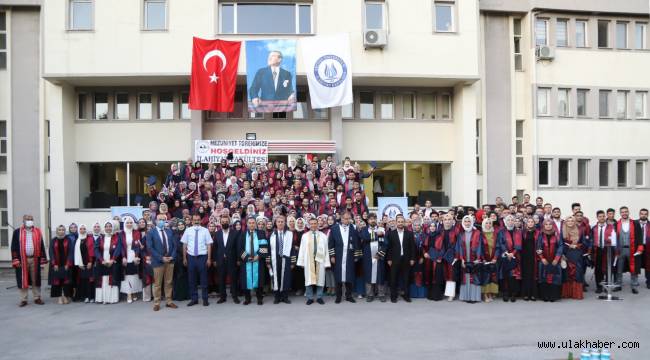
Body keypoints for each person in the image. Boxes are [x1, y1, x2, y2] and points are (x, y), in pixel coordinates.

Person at [11, 215, 47, 307]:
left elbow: (41, 245)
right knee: (23, 279)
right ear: (23, 220)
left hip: (34, 259)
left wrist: (43, 258)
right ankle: (24, 299)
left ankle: (37, 297)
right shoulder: (17, 232)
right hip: (22, 259)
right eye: (27, 219)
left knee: (35, 279)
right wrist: (16, 260)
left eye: (31, 219)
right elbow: (14, 247)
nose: (29, 221)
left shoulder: (37, 231)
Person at [147, 213, 178, 312]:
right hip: (158, 261)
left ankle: (169, 301)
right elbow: (150, 248)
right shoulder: (151, 232)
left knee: (169, 282)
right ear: (156, 221)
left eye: (163, 220)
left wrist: (172, 256)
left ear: (165, 221)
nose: (161, 221)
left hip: (170, 260)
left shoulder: (169, 232)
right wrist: (161, 258)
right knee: (158, 283)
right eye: (159, 219)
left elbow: (174, 245)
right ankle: (157, 303)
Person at [328, 211, 360, 303]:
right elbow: (331, 244)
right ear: (341, 219)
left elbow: (356, 243)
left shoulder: (353, 228)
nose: (347, 220)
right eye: (346, 218)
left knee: (349, 277)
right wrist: (332, 256)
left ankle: (349, 296)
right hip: (338, 256)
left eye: (349, 218)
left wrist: (356, 256)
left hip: (349, 256)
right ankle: (338, 296)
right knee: (338, 277)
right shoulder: (334, 229)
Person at [297, 217, 331, 305]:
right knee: (308, 279)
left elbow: (326, 250)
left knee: (320, 279)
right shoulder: (305, 236)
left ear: (317, 224)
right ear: (309, 225)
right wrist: (301, 262)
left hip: (320, 260)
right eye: (311, 223)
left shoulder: (323, 236)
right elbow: (302, 250)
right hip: (309, 260)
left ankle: (319, 297)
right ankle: (310, 298)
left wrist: (327, 262)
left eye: (315, 223)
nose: (313, 225)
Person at [182, 214, 213, 306]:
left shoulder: (205, 231)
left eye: (198, 220)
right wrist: (184, 258)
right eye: (195, 220)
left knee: (204, 279)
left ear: (200, 221)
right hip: (191, 257)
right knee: (192, 279)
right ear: (192, 221)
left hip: (202, 258)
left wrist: (209, 259)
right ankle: (194, 299)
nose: (196, 221)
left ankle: (205, 299)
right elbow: (184, 245)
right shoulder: (188, 230)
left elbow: (209, 245)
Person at [238, 217, 268, 305]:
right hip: (246, 260)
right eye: (250, 223)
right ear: (247, 224)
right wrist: (246, 257)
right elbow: (239, 248)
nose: (251, 224)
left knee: (259, 279)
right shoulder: (243, 234)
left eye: (253, 223)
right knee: (246, 280)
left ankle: (259, 298)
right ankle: (248, 298)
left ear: (255, 224)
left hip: (258, 260)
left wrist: (258, 256)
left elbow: (264, 246)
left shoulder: (261, 233)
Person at [385, 214, 416, 303]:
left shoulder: (409, 233)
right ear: (396, 222)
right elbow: (389, 248)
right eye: (399, 222)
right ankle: (393, 296)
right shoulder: (391, 234)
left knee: (406, 279)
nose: (400, 223)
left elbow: (412, 247)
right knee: (393, 279)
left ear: (404, 223)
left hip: (406, 259)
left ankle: (406, 296)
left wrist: (412, 259)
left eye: (402, 222)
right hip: (394, 260)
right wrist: (389, 259)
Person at [268, 215, 296, 304]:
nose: (280, 223)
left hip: (286, 259)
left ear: (284, 223)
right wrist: (268, 262)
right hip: (275, 259)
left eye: (282, 222)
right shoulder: (271, 235)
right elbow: (268, 249)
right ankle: (277, 297)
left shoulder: (289, 234)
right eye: (278, 222)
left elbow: (292, 249)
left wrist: (292, 261)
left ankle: (285, 297)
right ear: (276, 223)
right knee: (276, 278)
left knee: (286, 278)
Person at [213, 214, 241, 304]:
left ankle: (235, 296)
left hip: (232, 260)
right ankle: (222, 297)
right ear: (220, 223)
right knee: (221, 279)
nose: (224, 223)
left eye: (226, 222)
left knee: (233, 279)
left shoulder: (235, 233)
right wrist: (215, 260)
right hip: (220, 260)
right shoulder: (217, 234)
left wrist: (238, 259)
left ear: (229, 222)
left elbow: (238, 247)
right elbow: (215, 248)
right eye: (223, 222)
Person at [359, 213, 387, 302]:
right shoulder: (364, 229)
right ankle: (370, 294)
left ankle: (381, 294)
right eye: (371, 219)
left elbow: (385, 243)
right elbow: (364, 237)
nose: (373, 220)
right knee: (368, 274)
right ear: (367, 221)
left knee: (380, 274)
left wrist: (380, 253)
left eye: (374, 219)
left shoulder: (382, 229)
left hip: (379, 256)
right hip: (367, 256)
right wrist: (376, 234)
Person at [456, 216, 483, 303]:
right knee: (466, 277)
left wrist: (478, 258)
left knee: (474, 277)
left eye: (469, 221)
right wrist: (461, 259)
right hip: (465, 258)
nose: (467, 223)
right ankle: (466, 297)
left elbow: (480, 246)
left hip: (474, 259)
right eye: (465, 221)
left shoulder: (477, 233)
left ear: (471, 222)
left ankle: (474, 297)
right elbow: (459, 247)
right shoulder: (461, 234)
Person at [94, 220, 122, 304]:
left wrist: (112, 259)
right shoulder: (100, 237)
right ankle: (102, 299)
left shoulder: (117, 237)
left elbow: (118, 248)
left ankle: (112, 299)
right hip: (102, 261)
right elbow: (96, 249)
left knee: (112, 279)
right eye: (106, 226)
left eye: (110, 226)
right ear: (104, 228)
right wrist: (102, 260)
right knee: (103, 279)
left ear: (112, 227)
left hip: (112, 261)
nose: (108, 228)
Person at [615, 206, 642, 294]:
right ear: (620, 213)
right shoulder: (616, 224)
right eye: (622, 212)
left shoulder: (635, 223)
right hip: (620, 250)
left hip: (632, 249)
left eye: (626, 211)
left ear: (628, 212)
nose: (624, 213)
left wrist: (640, 247)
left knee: (633, 268)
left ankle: (634, 285)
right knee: (619, 268)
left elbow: (640, 235)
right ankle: (618, 285)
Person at [537, 219, 563, 302]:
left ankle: (553, 296)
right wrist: (542, 258)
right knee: (544, 277)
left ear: (553, 225)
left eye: (550, 224)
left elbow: (560, 247)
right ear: (543, 225)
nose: (548, 226)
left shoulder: (557, 235)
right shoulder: (540, 235)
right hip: (544, 261)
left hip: (554, 261)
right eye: (546, 224)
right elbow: (538, 247)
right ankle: (545, 296)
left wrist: (556, 259)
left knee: (554, 278)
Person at [497, 215, 521, 302]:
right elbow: (501, 243)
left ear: (514, 221)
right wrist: (507, 253)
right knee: (505, 276)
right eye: (508, 220)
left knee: (513, 276)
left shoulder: (518, 232)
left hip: (515, 256)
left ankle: (513, 293)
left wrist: (513, 253)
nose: (510, 221)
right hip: (504, 256)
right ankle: (505, 293)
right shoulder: (501, 232)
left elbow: (518, 244)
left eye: (512, 220)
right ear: (505, 221)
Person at [592, 210, 617, 294]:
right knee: (598, 270)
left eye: (603, 216)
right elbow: (591, 241)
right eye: (600, 216)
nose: (602, 218)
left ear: (605, 216)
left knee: (608, 269)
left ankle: (607, 286)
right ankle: (599, 287)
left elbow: (615, 239)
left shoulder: (611, 227)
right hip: (597, 250)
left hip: (608, 250)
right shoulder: (594, 228)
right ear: (597, 217)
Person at [561, 216, 585, 299]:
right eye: (568, 221)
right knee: (567, 273)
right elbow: (560, 243)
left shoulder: (580, 231)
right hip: (566, 253)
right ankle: (567, 294)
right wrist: (563, 251)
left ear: (574, 222)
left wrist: (577, 245)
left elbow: (584, 243)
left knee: (577, 273)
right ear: (566, 222)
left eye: (572, 221)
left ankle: (576, 294)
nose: (570, 222)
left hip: (577, 254)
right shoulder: (562, 232)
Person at [120, 218, 143, 303]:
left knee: (134, 275)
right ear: (125, 224)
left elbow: (138, 245)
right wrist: (123, 257)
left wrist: (136, 256)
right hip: (126, 256)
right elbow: (121, 246)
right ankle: (129, 293)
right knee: (127, 276)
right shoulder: (122, 233)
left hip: (134, 256)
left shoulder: (136, 232)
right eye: (127, 223)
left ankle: (133, 292)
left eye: (131, 223)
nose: (129, 224)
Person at [50, 225, 74, 305]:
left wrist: (68, 263)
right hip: (57, 264)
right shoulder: (53, 240)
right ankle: (60, 297)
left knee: (66, 281)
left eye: (63, 230)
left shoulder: (68, 240)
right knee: (57, 281)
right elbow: (51, 252)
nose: (61, 231)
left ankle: (66, 296)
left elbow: (71, 252)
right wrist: (54, 264)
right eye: (60, 230)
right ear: (57, 231)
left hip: (66, 264)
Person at [73, 224, 95, 303]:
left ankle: (91, 297)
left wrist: (90, 262)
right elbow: (75, 253)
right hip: (81, 264)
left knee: (90, 281)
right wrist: (79, 263)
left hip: (89, 263)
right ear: (79, 230)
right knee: (84, 281)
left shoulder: (90, 238)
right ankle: (85, 296)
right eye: (81, 229)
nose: (82, 230)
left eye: (84, 229)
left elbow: (92, 251)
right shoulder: (77, 239)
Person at [480, 218, 498, 302]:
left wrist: (495, 257)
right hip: (484, 258)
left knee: (492, 276)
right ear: (483, 224)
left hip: (493, 257)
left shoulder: (495, 234)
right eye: (486, 223)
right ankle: (485, 294)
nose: (488, 225)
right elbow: (478, 247)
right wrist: (482, 258)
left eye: (490, 223)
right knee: (485, 276)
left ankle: (491, 292)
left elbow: (498, 247)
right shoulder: (480, 234)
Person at [520, 218, 538, 301]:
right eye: (529, 222)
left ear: (534, 223)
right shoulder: (522, 233)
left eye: (532, 222)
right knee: (526, 275)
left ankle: (533, 294)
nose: (530, 223)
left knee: (533, 275)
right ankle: (526, 294)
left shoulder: (537, 232)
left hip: (534, 256)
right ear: (526, 224)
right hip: (525, 257)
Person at [173, 220, 189, 301]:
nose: (180, 226)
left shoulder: (188, 233)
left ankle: (187, 295)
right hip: (178, 259)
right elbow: (176, 247)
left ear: (185, 225)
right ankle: (179, 296)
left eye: (182, 224)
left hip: (188, 257)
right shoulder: (175, 235)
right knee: (179, 277)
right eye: (179, 225)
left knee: (187, 276)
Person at [635, 209, 650, 289]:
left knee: (648, 265)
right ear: (639, 214)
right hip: (637, 247)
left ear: (647, 215)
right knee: (636, 264)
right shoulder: (634, 223)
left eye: (645, 214)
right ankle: (635, 281)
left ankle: (649, 282)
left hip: (648, 247)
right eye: (642, 214)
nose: (643, 215)